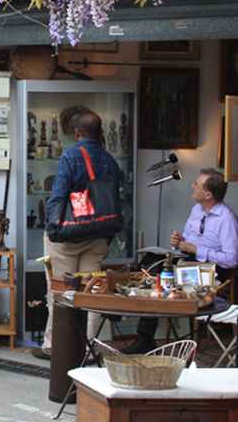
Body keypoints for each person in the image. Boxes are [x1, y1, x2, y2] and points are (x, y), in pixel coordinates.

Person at [33, 110, 123, 360]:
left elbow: (59, 195)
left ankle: (56, 346)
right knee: (91, 292)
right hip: (98, 236)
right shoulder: (110, 160)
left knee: (61, 291)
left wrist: (53, 229)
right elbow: (116, 198)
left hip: (68, 236)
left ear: (77, 133)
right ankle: (88, 347)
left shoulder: (71, 156)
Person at [124, 169, 238, 354]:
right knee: (150, 263)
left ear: (208, 194)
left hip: (210, 271)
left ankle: (144, 338)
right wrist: (179, 240)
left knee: (157, 276)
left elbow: (232, 259)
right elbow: (186, 241)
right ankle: (143, 336)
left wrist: (196, 250)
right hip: (187, 261)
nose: (192, 186)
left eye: (197, 184)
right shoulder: (196, 210)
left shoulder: (227, 219)